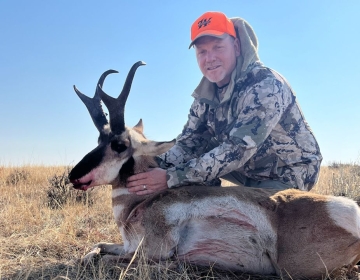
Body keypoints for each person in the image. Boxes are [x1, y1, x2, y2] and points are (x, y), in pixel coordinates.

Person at [126, 11, 322, 195]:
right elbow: (188, 145)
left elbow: (238, 149)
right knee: (198, 151)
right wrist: (150, 164)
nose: (209, 58)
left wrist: (170, 177)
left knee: (245, 220)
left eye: (218, 47)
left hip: (289, 173)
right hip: (251, 170)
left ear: (236, 47)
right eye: (202, 52)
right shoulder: (205, 97)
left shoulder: (265, 85)